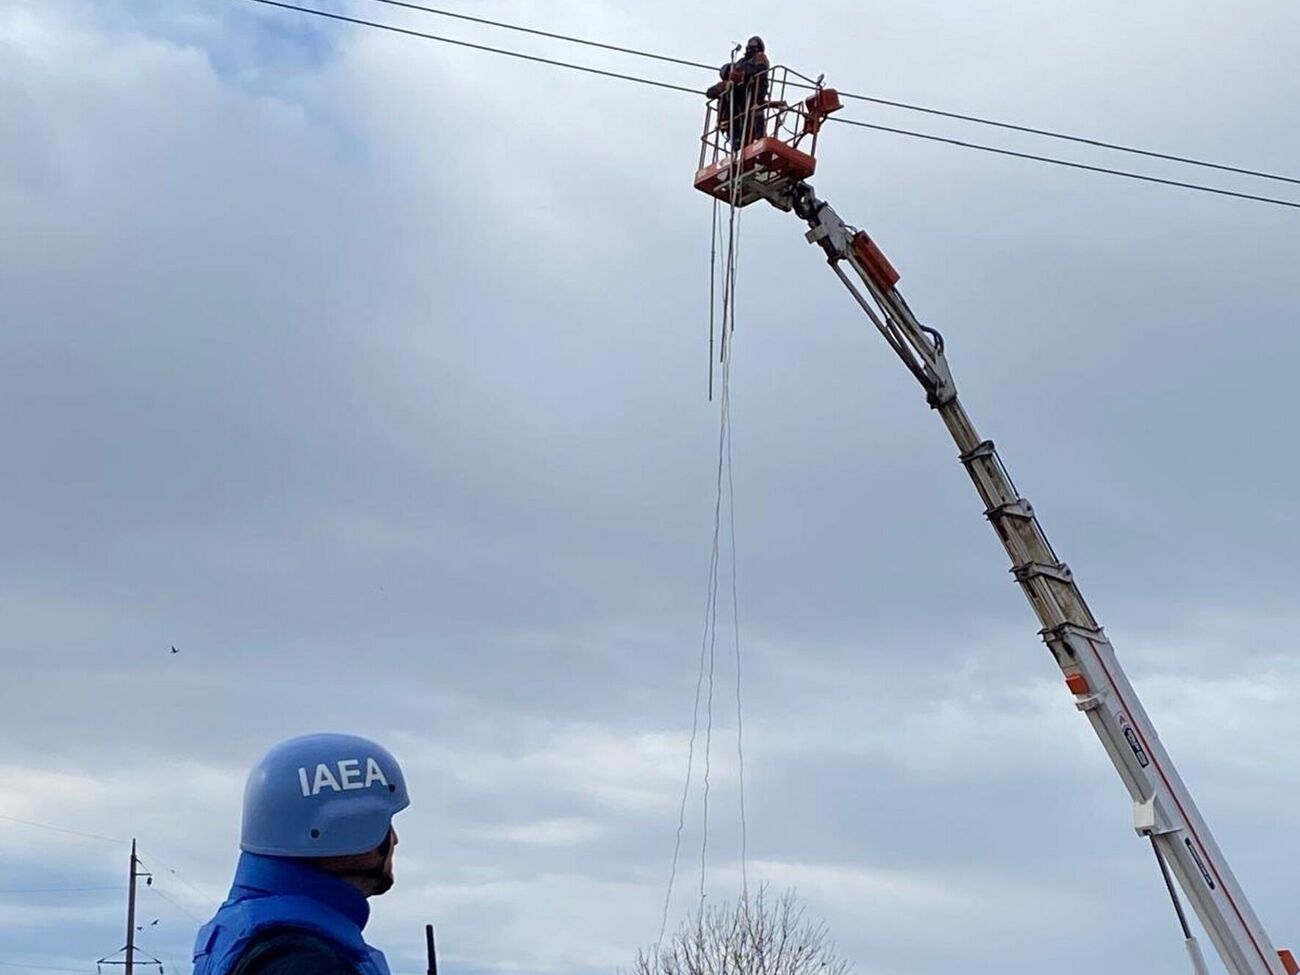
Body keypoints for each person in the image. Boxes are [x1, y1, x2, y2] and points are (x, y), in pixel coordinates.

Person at [192, 734, 410, 975]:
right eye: (384, 824)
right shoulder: (306, 962)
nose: (395, 839)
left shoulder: (256, 932)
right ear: (347, 828)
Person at [705, 37, 771, 152]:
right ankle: (728, 128)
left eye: (753, 46)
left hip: (754, 92)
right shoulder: (741, 62)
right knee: (728, 92)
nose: (751, 48)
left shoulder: (760, 57)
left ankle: (756, 138)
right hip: (740, 98)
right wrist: (728, 81)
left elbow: (756, 69)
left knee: (755, 112)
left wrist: (741, 74)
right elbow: (710, 93)